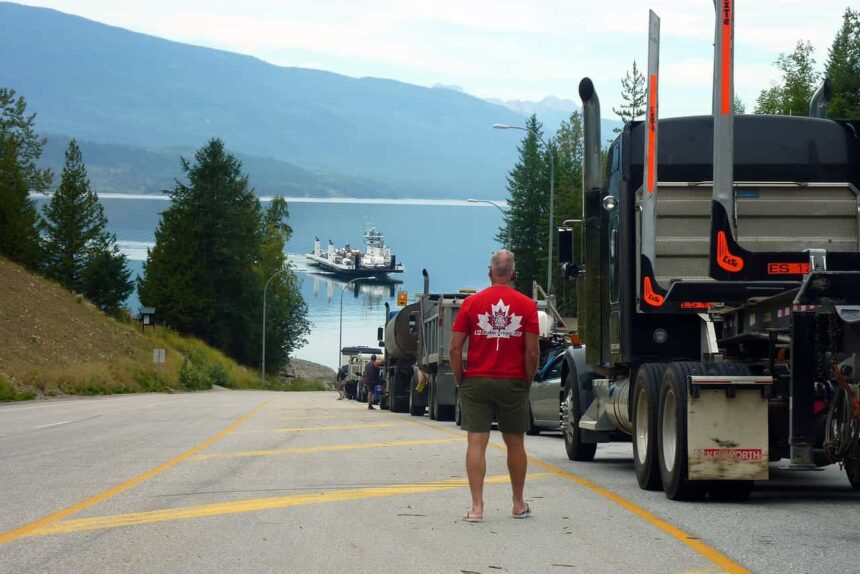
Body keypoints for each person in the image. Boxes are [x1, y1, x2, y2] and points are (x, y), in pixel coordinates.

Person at [450, 249, 540, 523]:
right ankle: (518, 503)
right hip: (513, 381)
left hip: (476, 380)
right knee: (515, 442)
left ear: (490, 272)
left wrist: (460, 379)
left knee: (477, 442)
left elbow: (455, 348)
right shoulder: (527, 305)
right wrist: (526, 380)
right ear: (513, 274)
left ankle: (477, 508)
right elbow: (532, 352)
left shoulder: (471, 304)